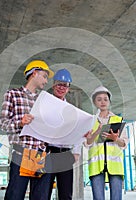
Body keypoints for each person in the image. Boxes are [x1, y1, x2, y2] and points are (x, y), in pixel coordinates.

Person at [0, 60, 54, 200]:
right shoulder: (12, 94)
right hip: (21, 153)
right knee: (15, 196)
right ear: (34, 73)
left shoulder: (44, 101)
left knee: (41, 197)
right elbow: (3, 123)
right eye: (45, 76)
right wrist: (20, 123)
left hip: (41, 156)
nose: (46, 81)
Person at [85, 86, 129, 200]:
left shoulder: (118, 120)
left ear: (109, 101)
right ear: (94, 102)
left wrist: (116, 139)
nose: (103, 102)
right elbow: (87, 143)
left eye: (105, 99)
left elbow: (124, 144)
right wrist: (97, 132)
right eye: (99, 99)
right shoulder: (90, 121)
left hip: (115, 166)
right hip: (96, 165)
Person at [46, 69, 81, 200]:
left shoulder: (71, 110)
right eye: (59, 84)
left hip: (66, 154)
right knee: (43, 192)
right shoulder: (45, 104)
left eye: (65, 85)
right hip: (48, 153)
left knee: (66, 193)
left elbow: (79, 129)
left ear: (68, 88)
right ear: (54, 84)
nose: (61, 88)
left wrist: (76, 152)